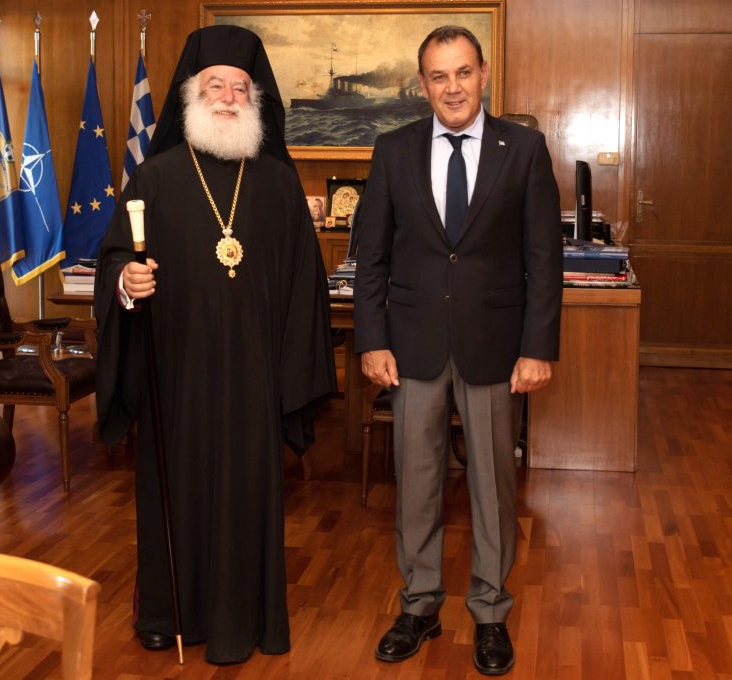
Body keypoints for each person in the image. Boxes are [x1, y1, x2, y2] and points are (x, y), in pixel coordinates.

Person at [94, 25, 335, 665]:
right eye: (215, 86)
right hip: (177, 376)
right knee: (173, 491)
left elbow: (306, 288)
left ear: (255, 99)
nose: (228, 97)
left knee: (247, 498)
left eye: (239, 88)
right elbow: (114, 256)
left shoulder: (279, 185)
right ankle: (166, 611)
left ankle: (246, 618)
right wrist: (125, 281)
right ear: (191, 96)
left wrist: (288, 377)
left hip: (255, 378)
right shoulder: (154, 179)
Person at [353, 25, 562, 676]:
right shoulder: (393, 150)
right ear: (422, 84)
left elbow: (544, 260)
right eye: (439, 76)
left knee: (492, 484)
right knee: (416, 482)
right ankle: (418, 606)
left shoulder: (523, 150)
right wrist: (371, 339)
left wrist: (537, 347)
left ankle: (490, 612)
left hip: (495, 347)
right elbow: (371, 258)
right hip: (412, 345)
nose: (452, 88)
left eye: (463, 72)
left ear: (484, 73)